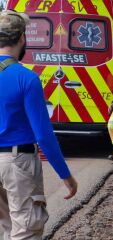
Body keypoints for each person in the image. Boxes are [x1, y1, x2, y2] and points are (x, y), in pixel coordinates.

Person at [0, 10, 77, 239]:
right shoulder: (26, 78)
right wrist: (66, 175)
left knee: (5, 228)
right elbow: (43, 135)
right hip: (18, 163)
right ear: (22, 38)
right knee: (25, 230)